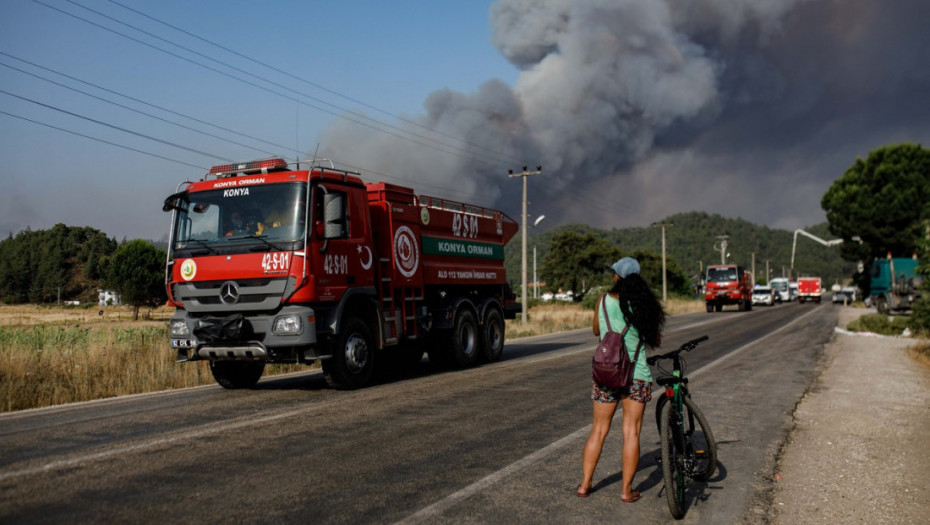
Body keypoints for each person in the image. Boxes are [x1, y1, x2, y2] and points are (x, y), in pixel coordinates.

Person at [576, 257, 666, 502]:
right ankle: (626, 491)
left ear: (616, 277)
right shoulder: (644, 305)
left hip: (606, 373)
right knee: (631, 434)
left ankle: (585, 485)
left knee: (598, 430)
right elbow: (655, 341)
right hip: (636, 375)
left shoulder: (603, 301)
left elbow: (597, 331)